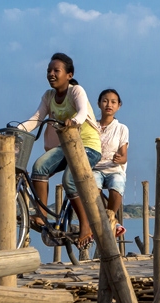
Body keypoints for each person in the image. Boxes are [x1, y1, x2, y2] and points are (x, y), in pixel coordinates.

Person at [19, 53, 101, 249]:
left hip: (88, 146)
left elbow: (82, 112)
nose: (51, 74)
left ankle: (86, 225)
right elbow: (36, 119)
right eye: (49, 71)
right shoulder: (48, 97)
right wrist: (16, 130)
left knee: (69, 180)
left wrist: (74, 121)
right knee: (39, 167)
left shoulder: (76, 91)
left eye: (57, 71)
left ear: (69, 75)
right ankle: (41, 215)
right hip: (66, 147)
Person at [92, 89, 128, 236]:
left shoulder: (121, 128)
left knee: (117, 184)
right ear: (99, 104)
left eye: (113, 102)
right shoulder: (92, 126)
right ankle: (98, 218)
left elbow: (124, 155)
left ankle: (112, 218)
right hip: (95, 168)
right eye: (105, 101)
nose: (109, 104)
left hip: (114, 169)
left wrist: (120, 159)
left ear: (119, 106)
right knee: (92, 186)